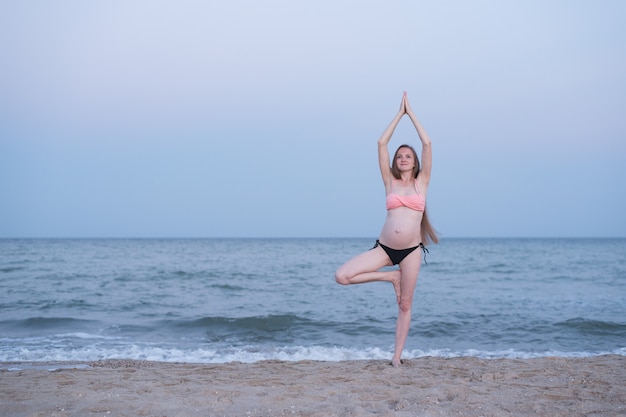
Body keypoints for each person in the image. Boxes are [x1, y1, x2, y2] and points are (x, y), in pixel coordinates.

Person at [335, 92, 438, 367]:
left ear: (415, 162)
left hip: (411, 252)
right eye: (400, 156)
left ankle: (396, 357)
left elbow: (427, 143)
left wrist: (411, 113)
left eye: (408, 156)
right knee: (342, 276)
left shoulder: (422, 182)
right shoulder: (389, 181)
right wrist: (398, 114)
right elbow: (381, 143)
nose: (403, 158)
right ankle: (390, 278)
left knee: (405, 305)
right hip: (384, 248)